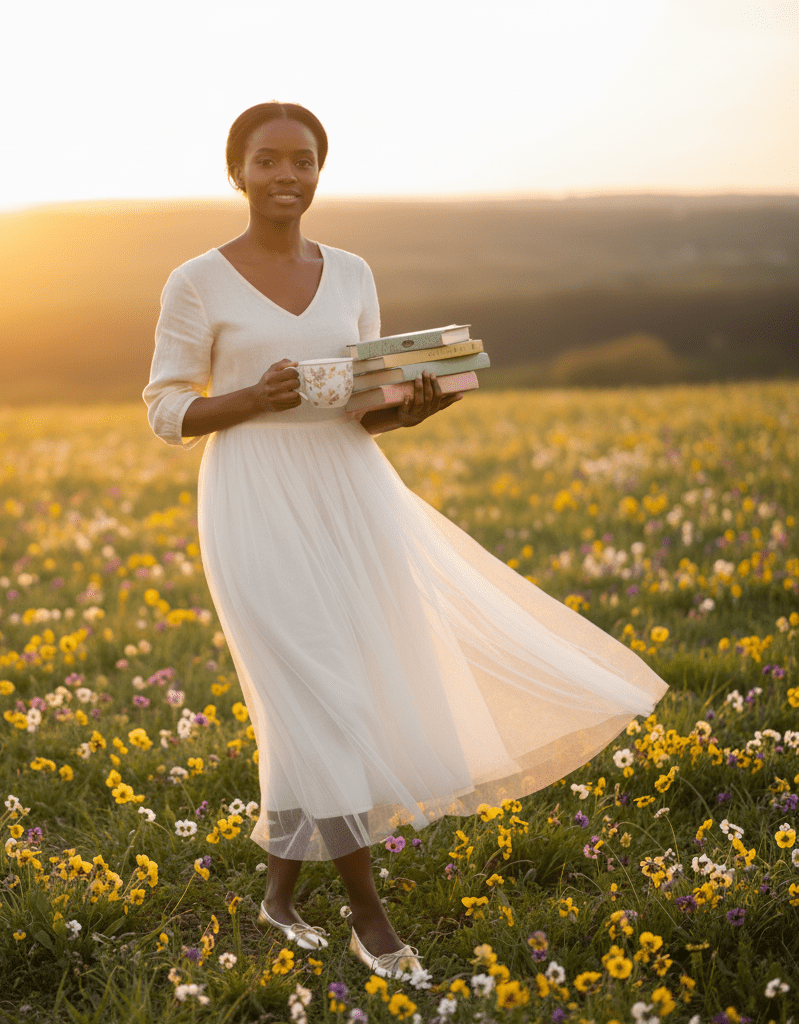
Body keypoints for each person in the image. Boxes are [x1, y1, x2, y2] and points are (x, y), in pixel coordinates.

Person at [143, 101, 668, 978]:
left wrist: (409, 411)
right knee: (319, 692)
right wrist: (249, 400)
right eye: (267, 160)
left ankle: (278, 897)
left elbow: (360, 404)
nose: (287, 175)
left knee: (335, 690)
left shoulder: (350, 273)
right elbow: (165, 409)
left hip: (352, 492)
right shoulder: (195, 281)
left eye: (303, 160)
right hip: (252, 498)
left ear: (320, 171)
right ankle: (369, 918)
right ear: (237, 173)